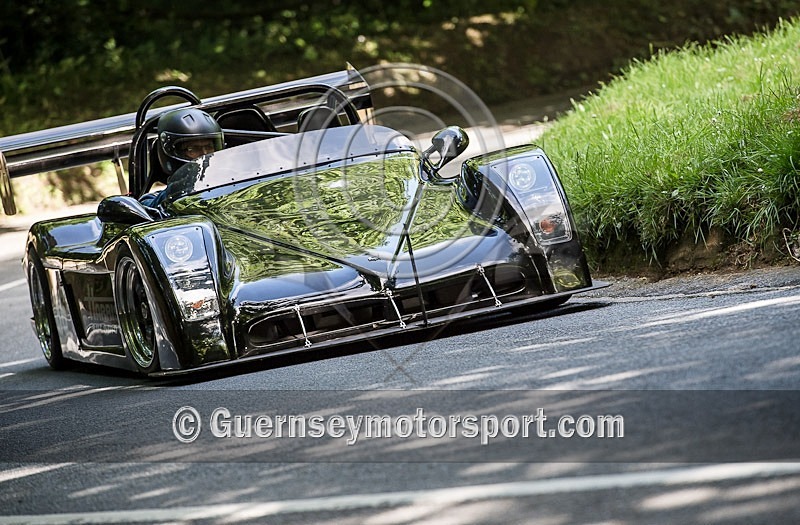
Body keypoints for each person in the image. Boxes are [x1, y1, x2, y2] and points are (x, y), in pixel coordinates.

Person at [141, 107, 224, 207]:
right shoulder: (154, 200)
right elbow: (146, 206)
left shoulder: (234, 178)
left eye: (209, 147)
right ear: (172, 152)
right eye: (193, 149)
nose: (205, 154)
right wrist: (178, 189)